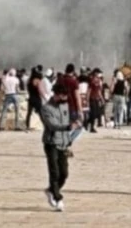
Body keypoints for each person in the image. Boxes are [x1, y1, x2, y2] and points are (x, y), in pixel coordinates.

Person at [40, 83, 81, 212]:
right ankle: (58, 198)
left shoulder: (65, 105)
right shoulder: (46, 108)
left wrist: (69, 140)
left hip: (64, 143)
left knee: (64, 173)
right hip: (51, 143)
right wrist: (68, 127)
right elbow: (52, 125)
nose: (65, 98)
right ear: (56, 94)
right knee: (54, 172)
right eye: (63, 95)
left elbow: (67, 120)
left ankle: (51, 190)